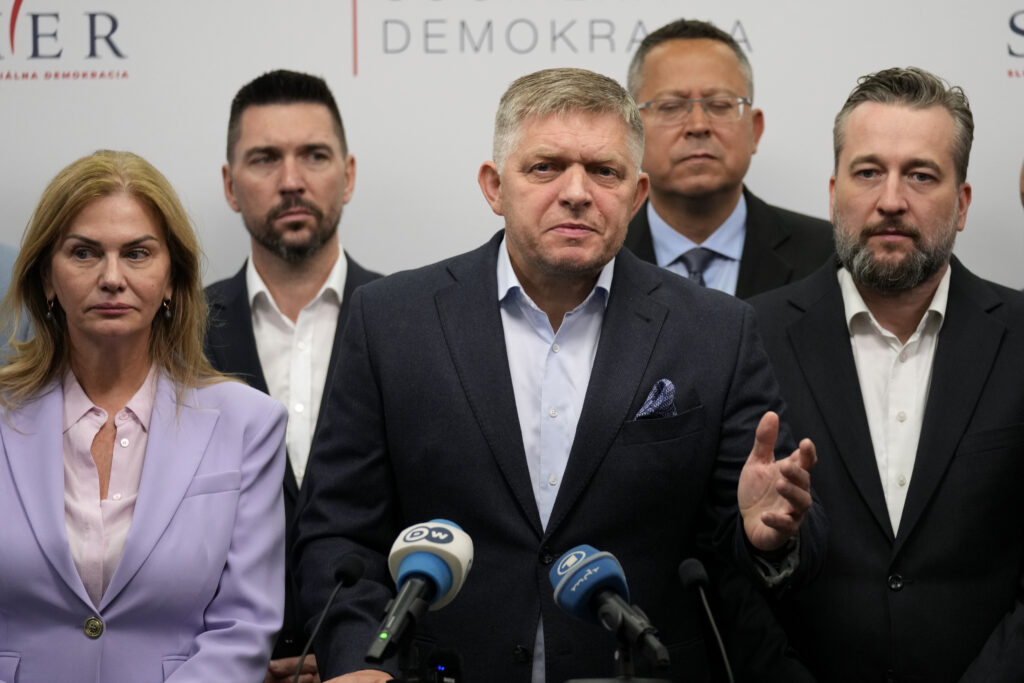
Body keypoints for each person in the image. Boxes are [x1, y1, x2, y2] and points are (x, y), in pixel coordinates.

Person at [294, 67, 824, 683]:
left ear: (637, 194)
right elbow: (338, 536)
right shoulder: (391, 321)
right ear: (494, 186)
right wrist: (361, 663)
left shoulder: (715, 332)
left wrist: (771, 536)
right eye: (545, 167)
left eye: (604, 172)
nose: (577, 192)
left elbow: (767, 528)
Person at [750, 67, 1024, 681]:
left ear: (963, 203)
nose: (892, 200)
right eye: (868, 172)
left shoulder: (1020, 337)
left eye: (921, 175)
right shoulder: (750, 337)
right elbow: (723, 572)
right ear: (833, 193)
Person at [0, 150, 287, 682]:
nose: (112, 278)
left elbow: (243, 627)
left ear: (172, 278)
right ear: (47, 278)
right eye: (84, 253)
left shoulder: (248, 423)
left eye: (137, 254)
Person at [204, 69, 381, 683]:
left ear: (348, 175)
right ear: (230, 185)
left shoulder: (414, 325)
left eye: (314, 155)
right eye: (264, 159)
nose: (291, 181)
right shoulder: (175, 335)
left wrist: (355, 657)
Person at [623, 19, 833, 298]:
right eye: (671, 107)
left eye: (720, 105)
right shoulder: (600, 256)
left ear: (755, 130)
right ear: (633, 133)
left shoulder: (827, 255)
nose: (698, 125)